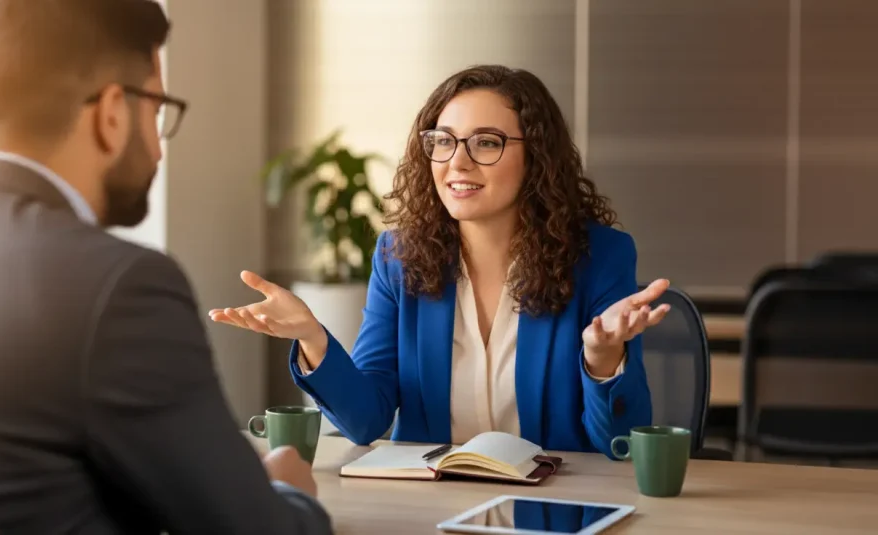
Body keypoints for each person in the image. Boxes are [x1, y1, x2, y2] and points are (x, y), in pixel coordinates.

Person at [0, 0, 331, 534]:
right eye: (157, 111)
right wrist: (289, 491)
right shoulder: (120, 286)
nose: (158, 151)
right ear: (112, 113)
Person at [210, 65, 668, 457]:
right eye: (443, 141)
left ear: (536, 157)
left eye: (485, 143)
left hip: (551, 508)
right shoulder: (398, 258)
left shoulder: (599, 257)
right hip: (430, 506)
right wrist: (313, 338)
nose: (458, 163)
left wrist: (602, 360)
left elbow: (619, 444)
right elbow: (366, 421)